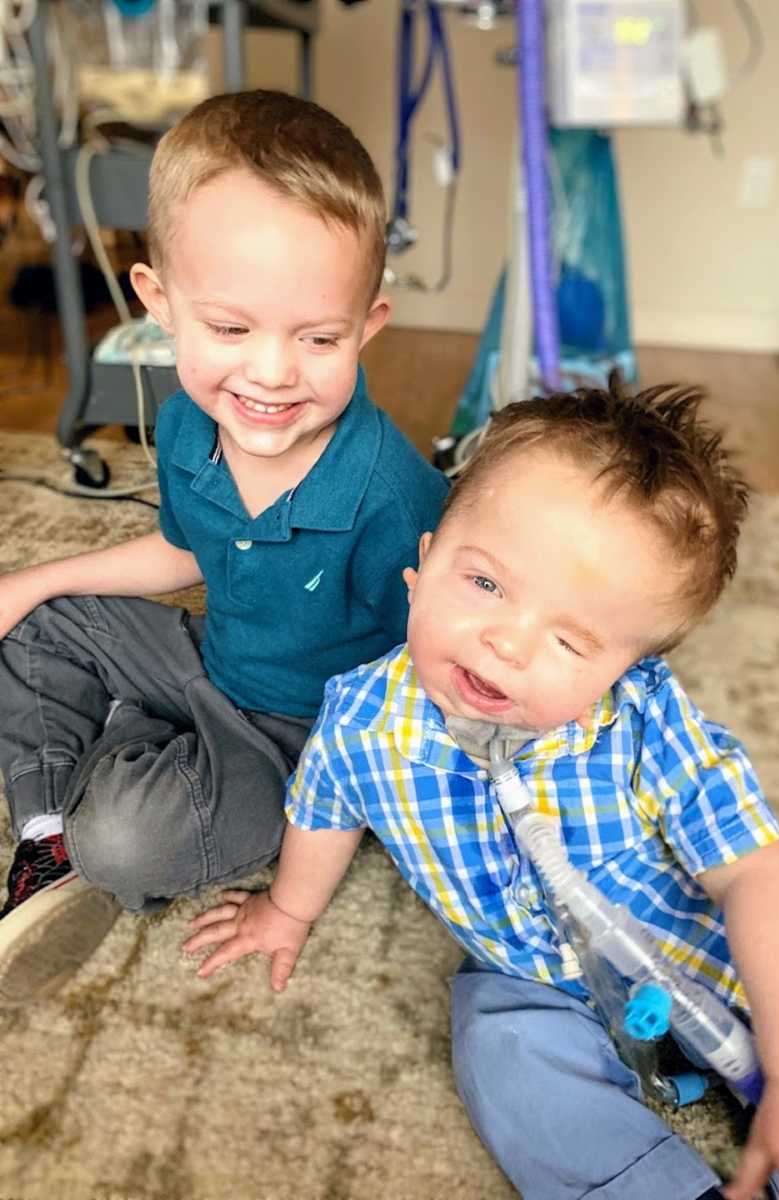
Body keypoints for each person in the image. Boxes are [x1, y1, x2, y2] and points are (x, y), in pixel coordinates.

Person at [185, 381, 779, 1200]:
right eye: (484, 584)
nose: (507, 643)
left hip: (705, 952)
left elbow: (754, 875)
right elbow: (323, 810)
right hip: (540, 979)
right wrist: (287, 909)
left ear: (625, 667)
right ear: (420, 567)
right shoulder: (361, 718)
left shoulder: (643, 724)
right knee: (502, 1049)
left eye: (570, 638)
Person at [0, 90, 448, 1006]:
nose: (273, 372)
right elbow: (186, 551)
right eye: (231, 329)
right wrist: (31, 578)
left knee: (126, 841)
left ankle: (114, 778)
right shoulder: (181, 426)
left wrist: (320, 860)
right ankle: (47, 826)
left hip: (303, 741)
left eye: (319, 337)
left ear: (369, 323)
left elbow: (431, 683)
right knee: (33, 628)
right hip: (208, 658)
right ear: (158, 303)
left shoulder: (392, 496)